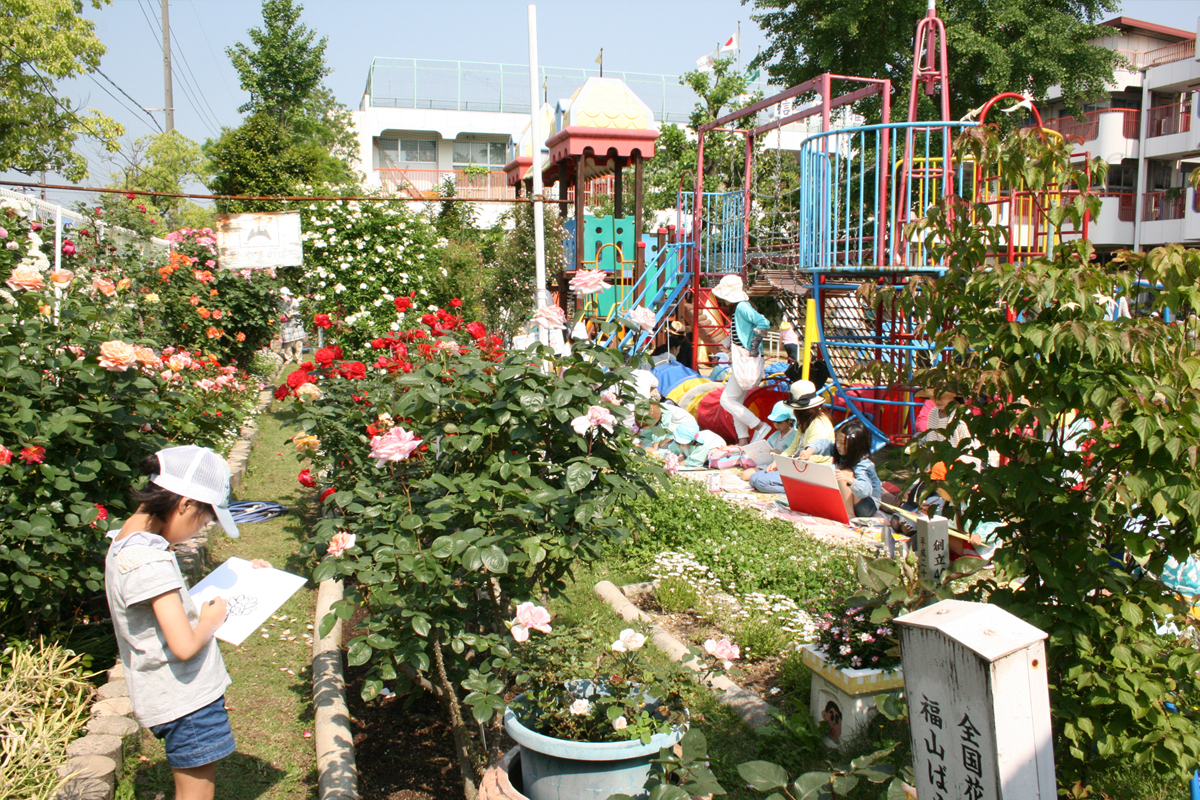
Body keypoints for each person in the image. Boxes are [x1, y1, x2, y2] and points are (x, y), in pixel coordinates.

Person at [105, 445, 269, 800]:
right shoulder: (149, 561)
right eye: (204, 521)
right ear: (185, 505)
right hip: (187, 700)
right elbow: (183, 645)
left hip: (171, 695)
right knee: (196, 792)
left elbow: (164, 611)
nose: (198, 532)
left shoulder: (127, 544)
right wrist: (210, 621)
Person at [711, 275, 770, 445]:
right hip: (742, 359)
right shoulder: (740, 308)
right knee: (736, 402)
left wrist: (754, 345)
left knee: (726, 400)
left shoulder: (742, 307)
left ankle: (759, 426)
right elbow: (741, 333)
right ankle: (743, 440)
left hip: (745, 360)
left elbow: (763, 322)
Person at [749, 381, 835, 493]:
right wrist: (779, 461)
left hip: (811, 469)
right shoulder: (805, 421)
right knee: (754, 478)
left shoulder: (819, 423)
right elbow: (794, 446)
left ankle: (803, 491)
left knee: (761, 482)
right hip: (797, 466)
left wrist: (788, 465)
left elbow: (813, 457)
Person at [833, 419, 883, 520]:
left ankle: (849, 515)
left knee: (845, 473)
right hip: (858, 501)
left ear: (854, 446)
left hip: (868, 505)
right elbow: (824, 444)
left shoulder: (863, 464)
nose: (838, 445)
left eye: (842, 442)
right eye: (837, 440)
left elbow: (865, 491)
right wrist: (810, 449)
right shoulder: (841, 450)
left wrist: (850, 481)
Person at [739, 401, 798, 482]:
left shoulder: (795, 435)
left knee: (758, 479)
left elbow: (795, 458)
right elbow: (766, 446)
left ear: (791, 420)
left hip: (783, 467)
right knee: (746, 474)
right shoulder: (775, 435)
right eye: (774, 422)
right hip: (768, 464)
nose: (776, 425)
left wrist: (780, 453)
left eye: (780, 422)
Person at [278, 287, 306, 364]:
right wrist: (285, 315)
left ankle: (299, 358)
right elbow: (278, 312)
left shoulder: (295, 301)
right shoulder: (279, 303)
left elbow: (299, 311)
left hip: (296, 322)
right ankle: (289, 358)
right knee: (287, 342)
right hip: (285, 323)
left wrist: (292, 314)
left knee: (299, 341)